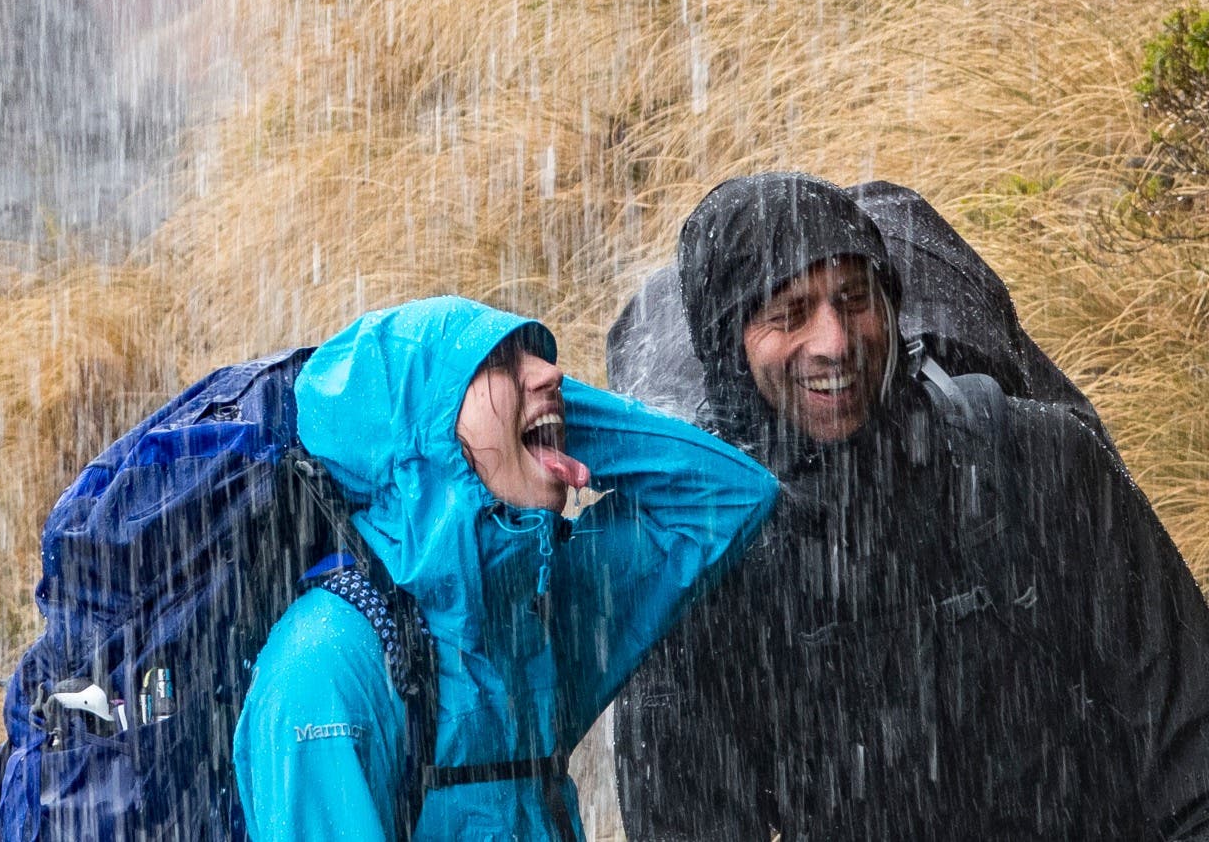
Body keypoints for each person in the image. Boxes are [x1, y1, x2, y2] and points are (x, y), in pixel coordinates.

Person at [613, 172, 1209, 841]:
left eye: (855, 298)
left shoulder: (1040, 463)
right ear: (729, 346)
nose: (835, 341)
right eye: (789, 313)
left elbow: (1192, 741)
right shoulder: (702, 561)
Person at [233, 295, 779, 841]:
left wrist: (546, 423)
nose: (552, 371)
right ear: (420, 429)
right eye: (499, 363)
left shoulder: (531, 608)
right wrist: (477, 435)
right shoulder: (325, 664)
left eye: (537, 359)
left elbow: (727, 496)